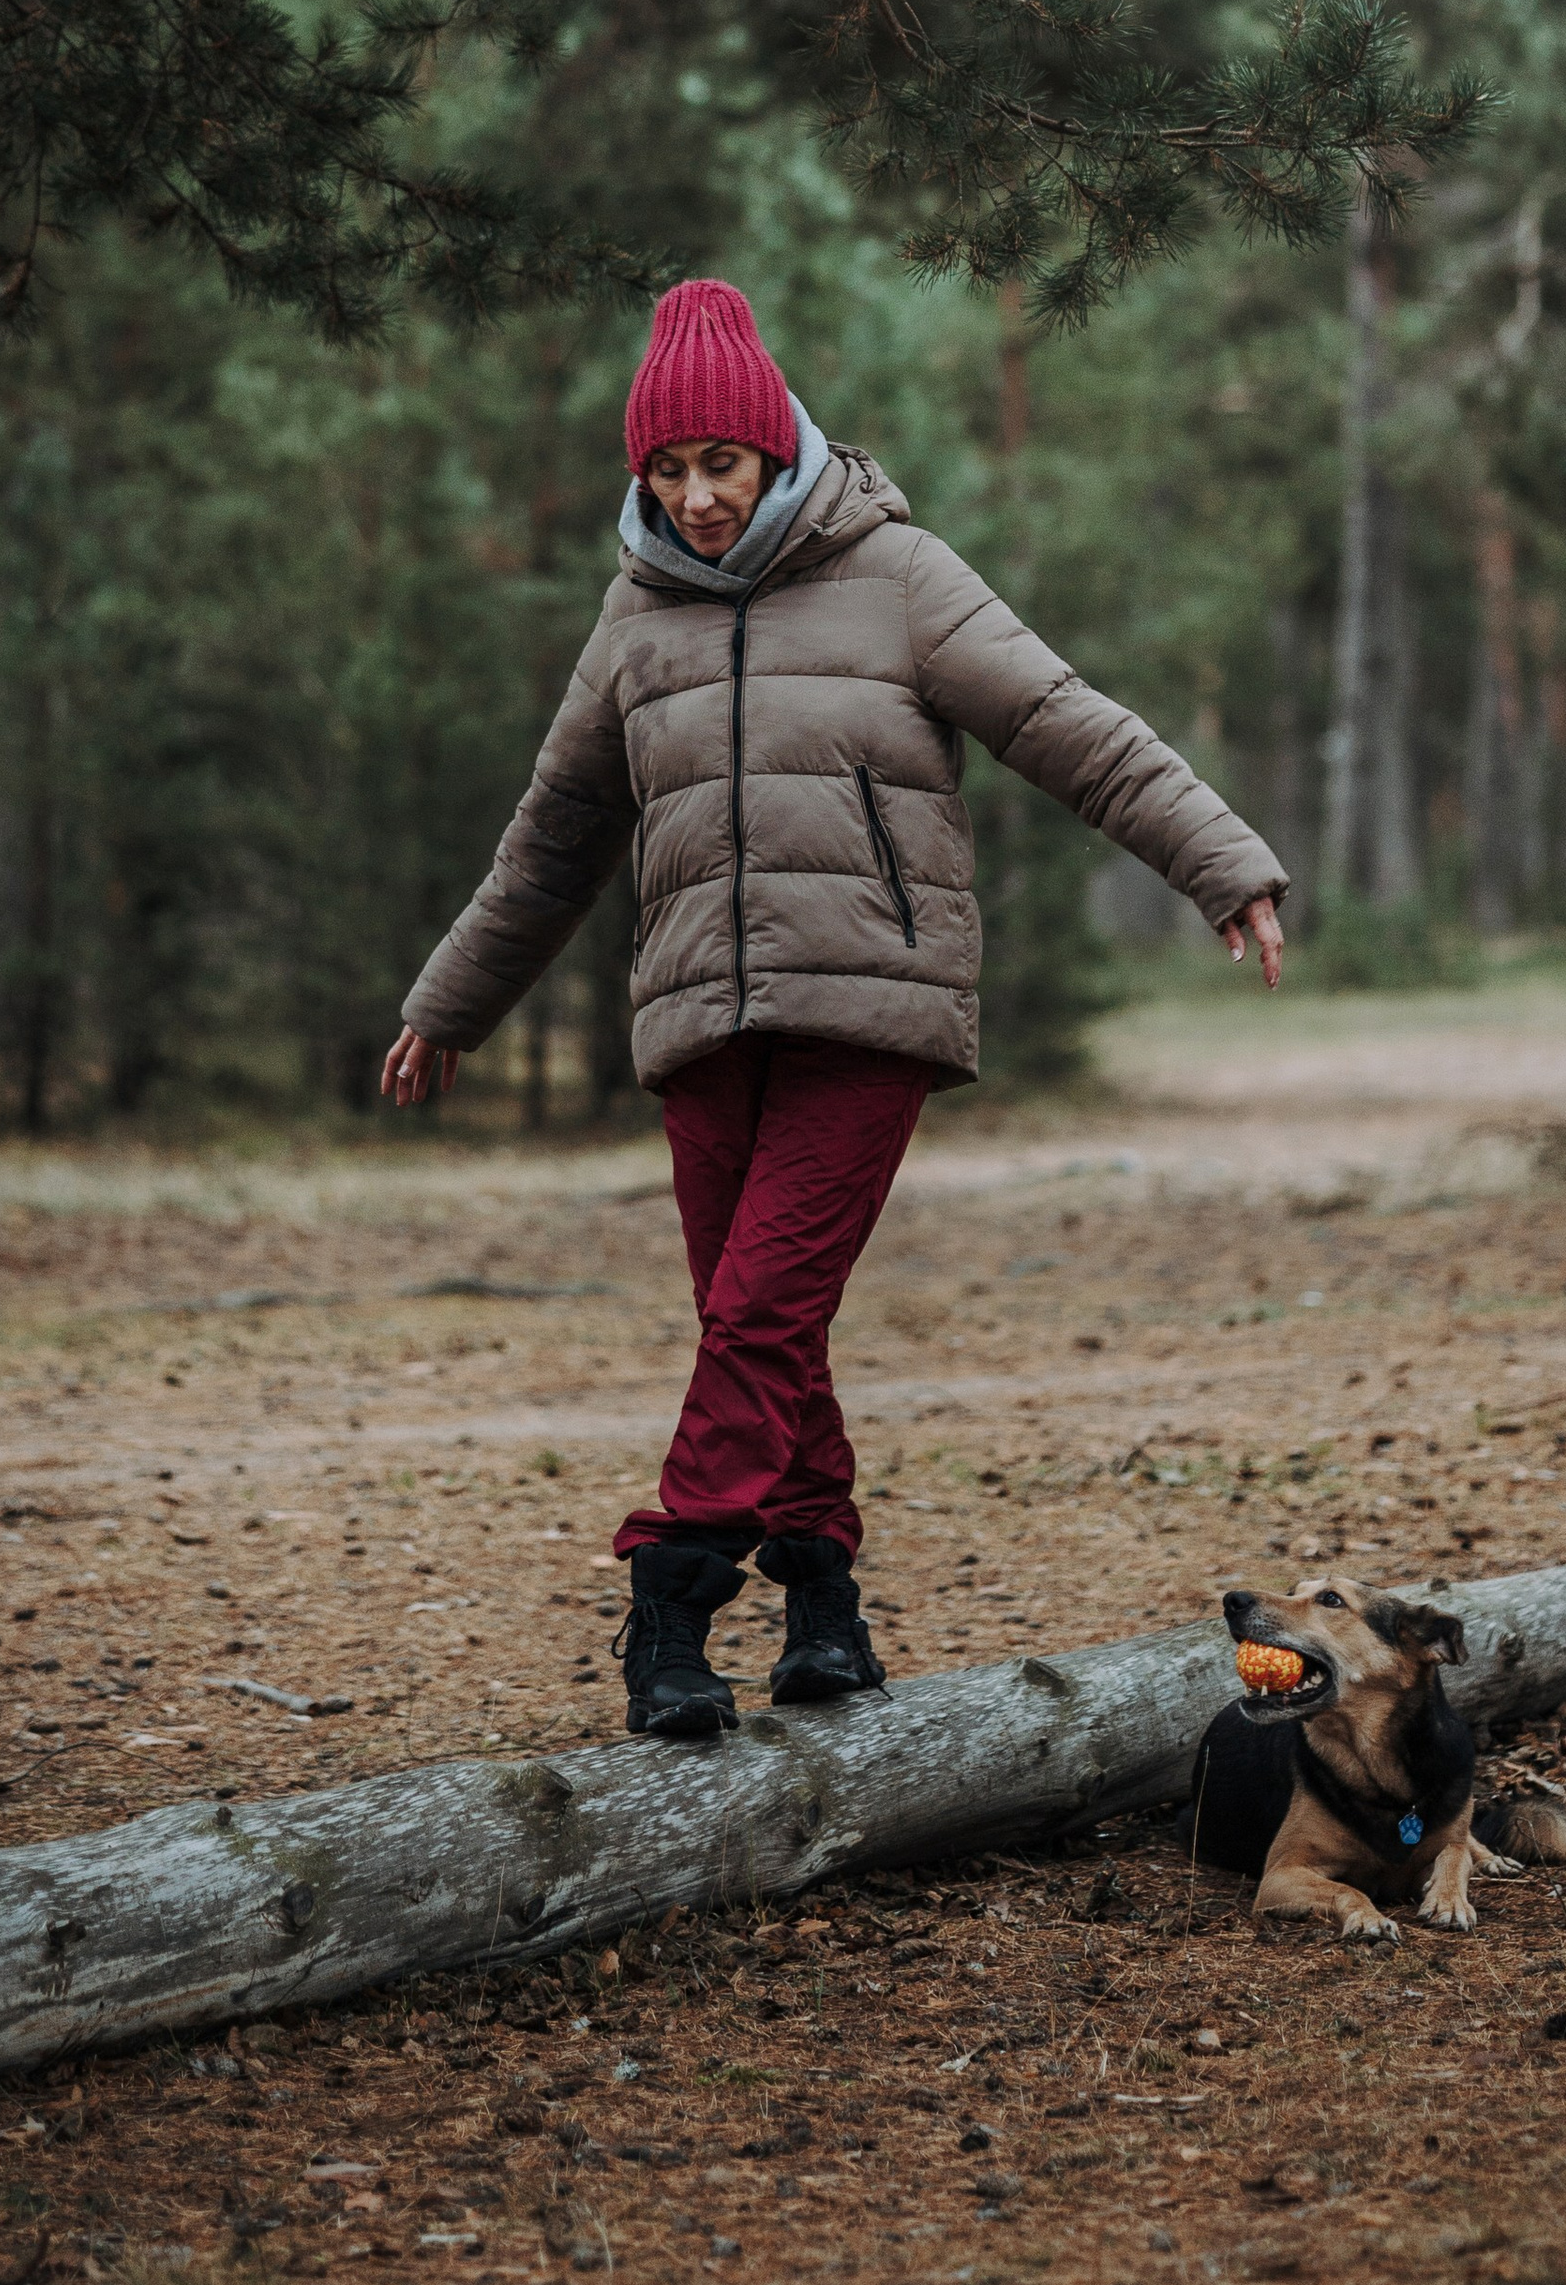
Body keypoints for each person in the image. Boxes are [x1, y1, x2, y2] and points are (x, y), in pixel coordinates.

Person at [384, 279, 1288, 1740]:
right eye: (667, 471)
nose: (695, 499)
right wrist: (451, 1003)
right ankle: (824, 1609)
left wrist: (1220, 861)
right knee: (764, 1331)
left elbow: (1067, 723)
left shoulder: (898, 574)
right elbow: (553, 838)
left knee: (756, 1314)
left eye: (720, 464)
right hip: (701, 1017)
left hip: (869, 1008)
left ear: (776, 449)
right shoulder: (634, 620)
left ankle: (672, 1592)